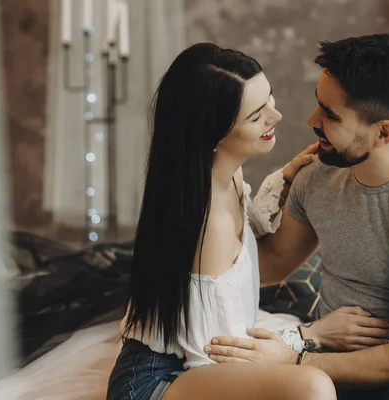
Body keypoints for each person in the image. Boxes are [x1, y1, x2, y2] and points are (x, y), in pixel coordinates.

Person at [204, 33, 389, 400]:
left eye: (329, 115)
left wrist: (295, 359)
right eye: (319, 105)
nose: (310, 120)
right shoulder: (317, 173)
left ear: (383, 133)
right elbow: (270, 265)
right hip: (324, 368)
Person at [106, 42, 337, 400]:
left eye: (270, 99)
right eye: (257, 115)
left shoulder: (220, 172)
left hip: (195, 360)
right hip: (163, 378)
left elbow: (244, 253)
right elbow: (220, 356)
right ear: (214, 134)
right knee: (313, 387)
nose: (275, 117)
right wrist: (310, 336)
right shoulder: (207, 221)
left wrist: (286, 179)